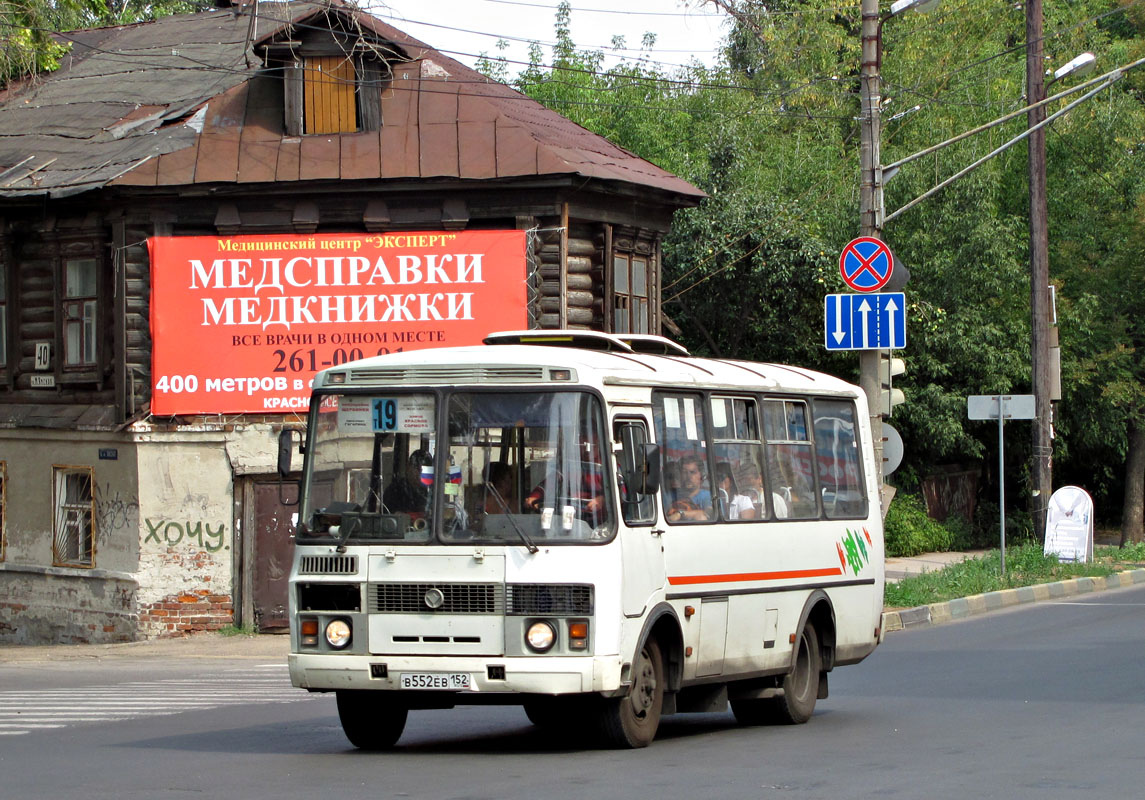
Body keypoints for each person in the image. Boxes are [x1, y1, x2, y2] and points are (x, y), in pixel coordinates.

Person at [383, 449, 432, 515]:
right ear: (408, 467)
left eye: (425, 469)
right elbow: (387, 517)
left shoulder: (431, 491)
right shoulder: (394, 490)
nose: (420, 472)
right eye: (417, 468)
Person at [667, 454, 713, 522]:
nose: (689, 476)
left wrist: (680, 514)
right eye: (685, 472)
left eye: (692, 472)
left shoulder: (707, 496)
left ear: (701, 475)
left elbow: (709, 513)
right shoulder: (671, 495)